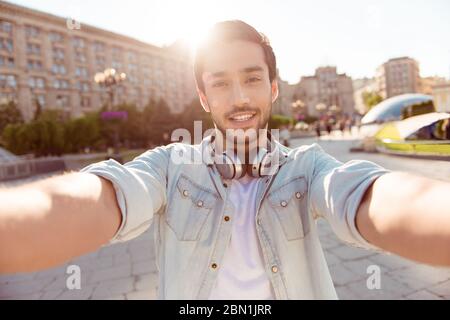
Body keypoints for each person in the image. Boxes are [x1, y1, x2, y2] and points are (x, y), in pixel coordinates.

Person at [1, 20, 450, 300]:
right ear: (202, 96)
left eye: (252, 79)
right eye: (219, 84)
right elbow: (107, 196)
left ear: (274, 87)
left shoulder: (307, 166)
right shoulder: (171, 166)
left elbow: (366, 194)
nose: (238, 98)